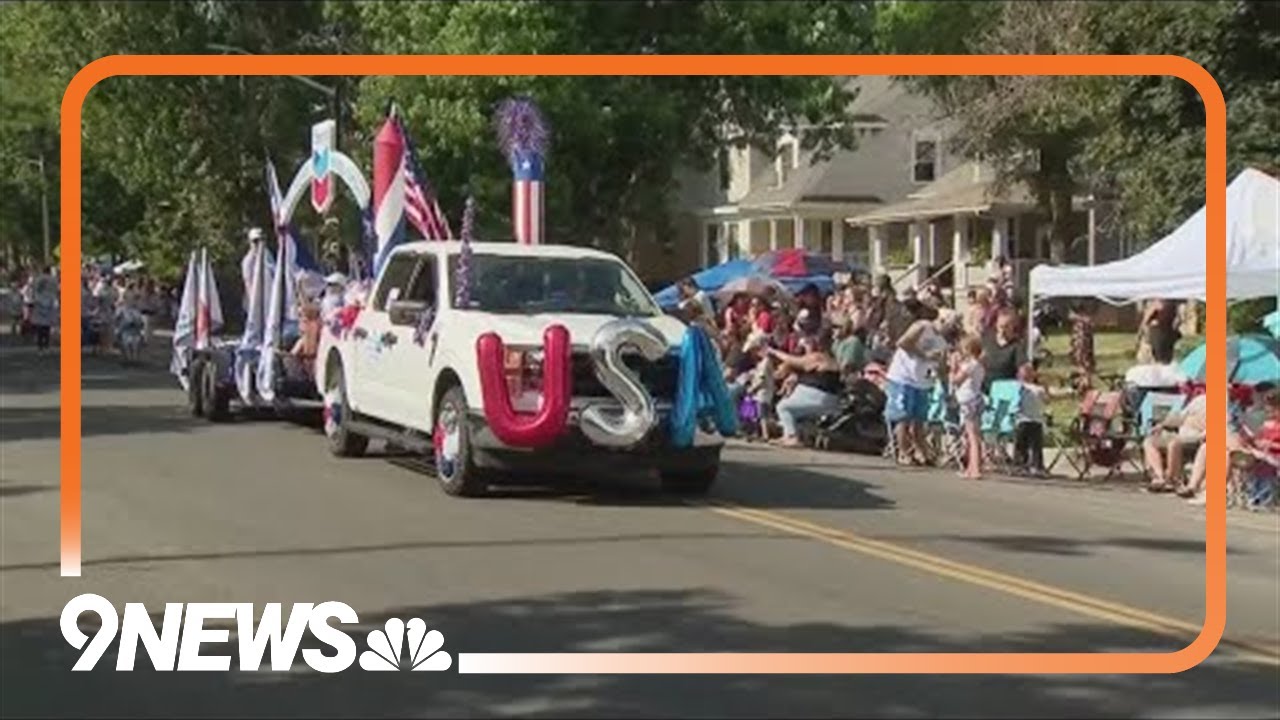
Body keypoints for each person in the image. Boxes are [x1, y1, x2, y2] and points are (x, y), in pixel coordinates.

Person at [883, 300, 947, 466]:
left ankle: (922, 453)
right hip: (903, 377)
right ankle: (904, 452)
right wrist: (924, 355)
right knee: (903, 417)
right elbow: (903, 343)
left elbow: (941, 367)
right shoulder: (923, 326)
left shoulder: (942, 341)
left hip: (922, 381)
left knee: (919, 419)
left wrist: (946, 387)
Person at [768, 330, 844, 448]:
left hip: (820, 398)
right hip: (823, 397)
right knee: (792, 410)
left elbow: (793, 361)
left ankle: (792, 437)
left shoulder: (818, 357)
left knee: (783, 407)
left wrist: (773, 351)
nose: (804, 348)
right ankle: (790, 435)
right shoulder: (829, 359)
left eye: (807, 344)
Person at [1142, 390, 1207, 493]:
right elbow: (1181, 416)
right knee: (1149, 441)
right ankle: (1159, 477)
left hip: (1196, 436)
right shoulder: (1200, 400)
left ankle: (1172, 480)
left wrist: (1202, 430)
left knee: (1174, 443)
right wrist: (1162, 425)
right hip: (1182, 432)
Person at [950, 335, 986, 479]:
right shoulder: (979, 366)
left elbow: (956, 380)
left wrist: (953, 368)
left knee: (972, 436)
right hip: (976, 399)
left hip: (968, 400)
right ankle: (971, 468)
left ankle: (975, 469)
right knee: (973, 435)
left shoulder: (969, 365)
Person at [1013, 363, 1049, 477]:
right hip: (1036, 421)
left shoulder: (1018, 388)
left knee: (1021, 445)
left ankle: (1021, 465)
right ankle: (1037, 466)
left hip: (1022, 420)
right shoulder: (1039, 389)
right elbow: (1047, 401)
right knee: (1036, 446)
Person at [981, 308, 1028, 392]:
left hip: (1004, 391)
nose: (1002, 331)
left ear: (1012, 326)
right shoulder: (986, 340)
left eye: (1006, 327)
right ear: (996, 324)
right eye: (1000, 327)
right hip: (984, 388)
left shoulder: (1016, 346)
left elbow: (1023, 369)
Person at [29, 270, 58, 354]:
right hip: (48, 308)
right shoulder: (53, 280)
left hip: (40, 308)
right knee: (46, 329)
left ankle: (41, 347)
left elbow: (34, 294)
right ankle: (46, 346)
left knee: (40, 329)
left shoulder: (38, 280)